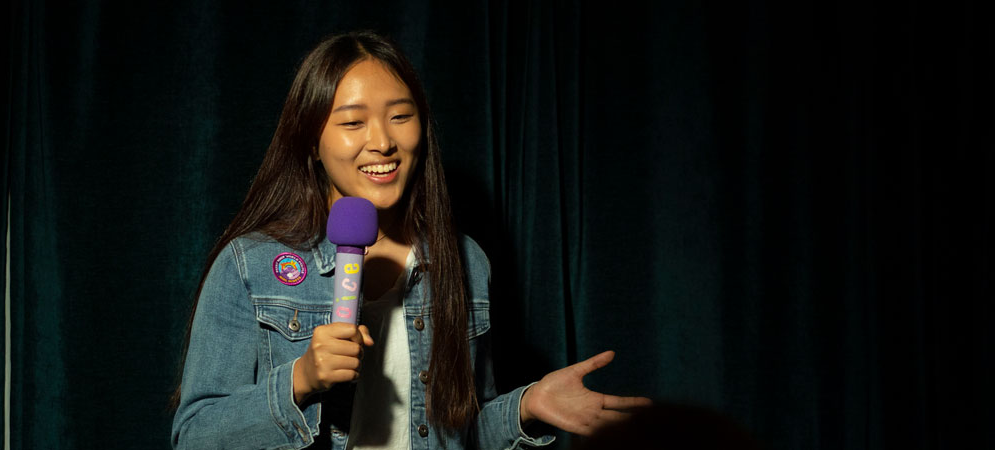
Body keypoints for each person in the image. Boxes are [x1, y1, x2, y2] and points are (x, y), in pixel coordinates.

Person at [170, 31, 651, 450]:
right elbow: (194, 435)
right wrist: (300, 380)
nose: (382, 141)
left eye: (400, 116)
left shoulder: (464, 261)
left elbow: (458, 428)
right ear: (311, 142)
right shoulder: (251, 264)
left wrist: (526, 406)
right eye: (353, 122)